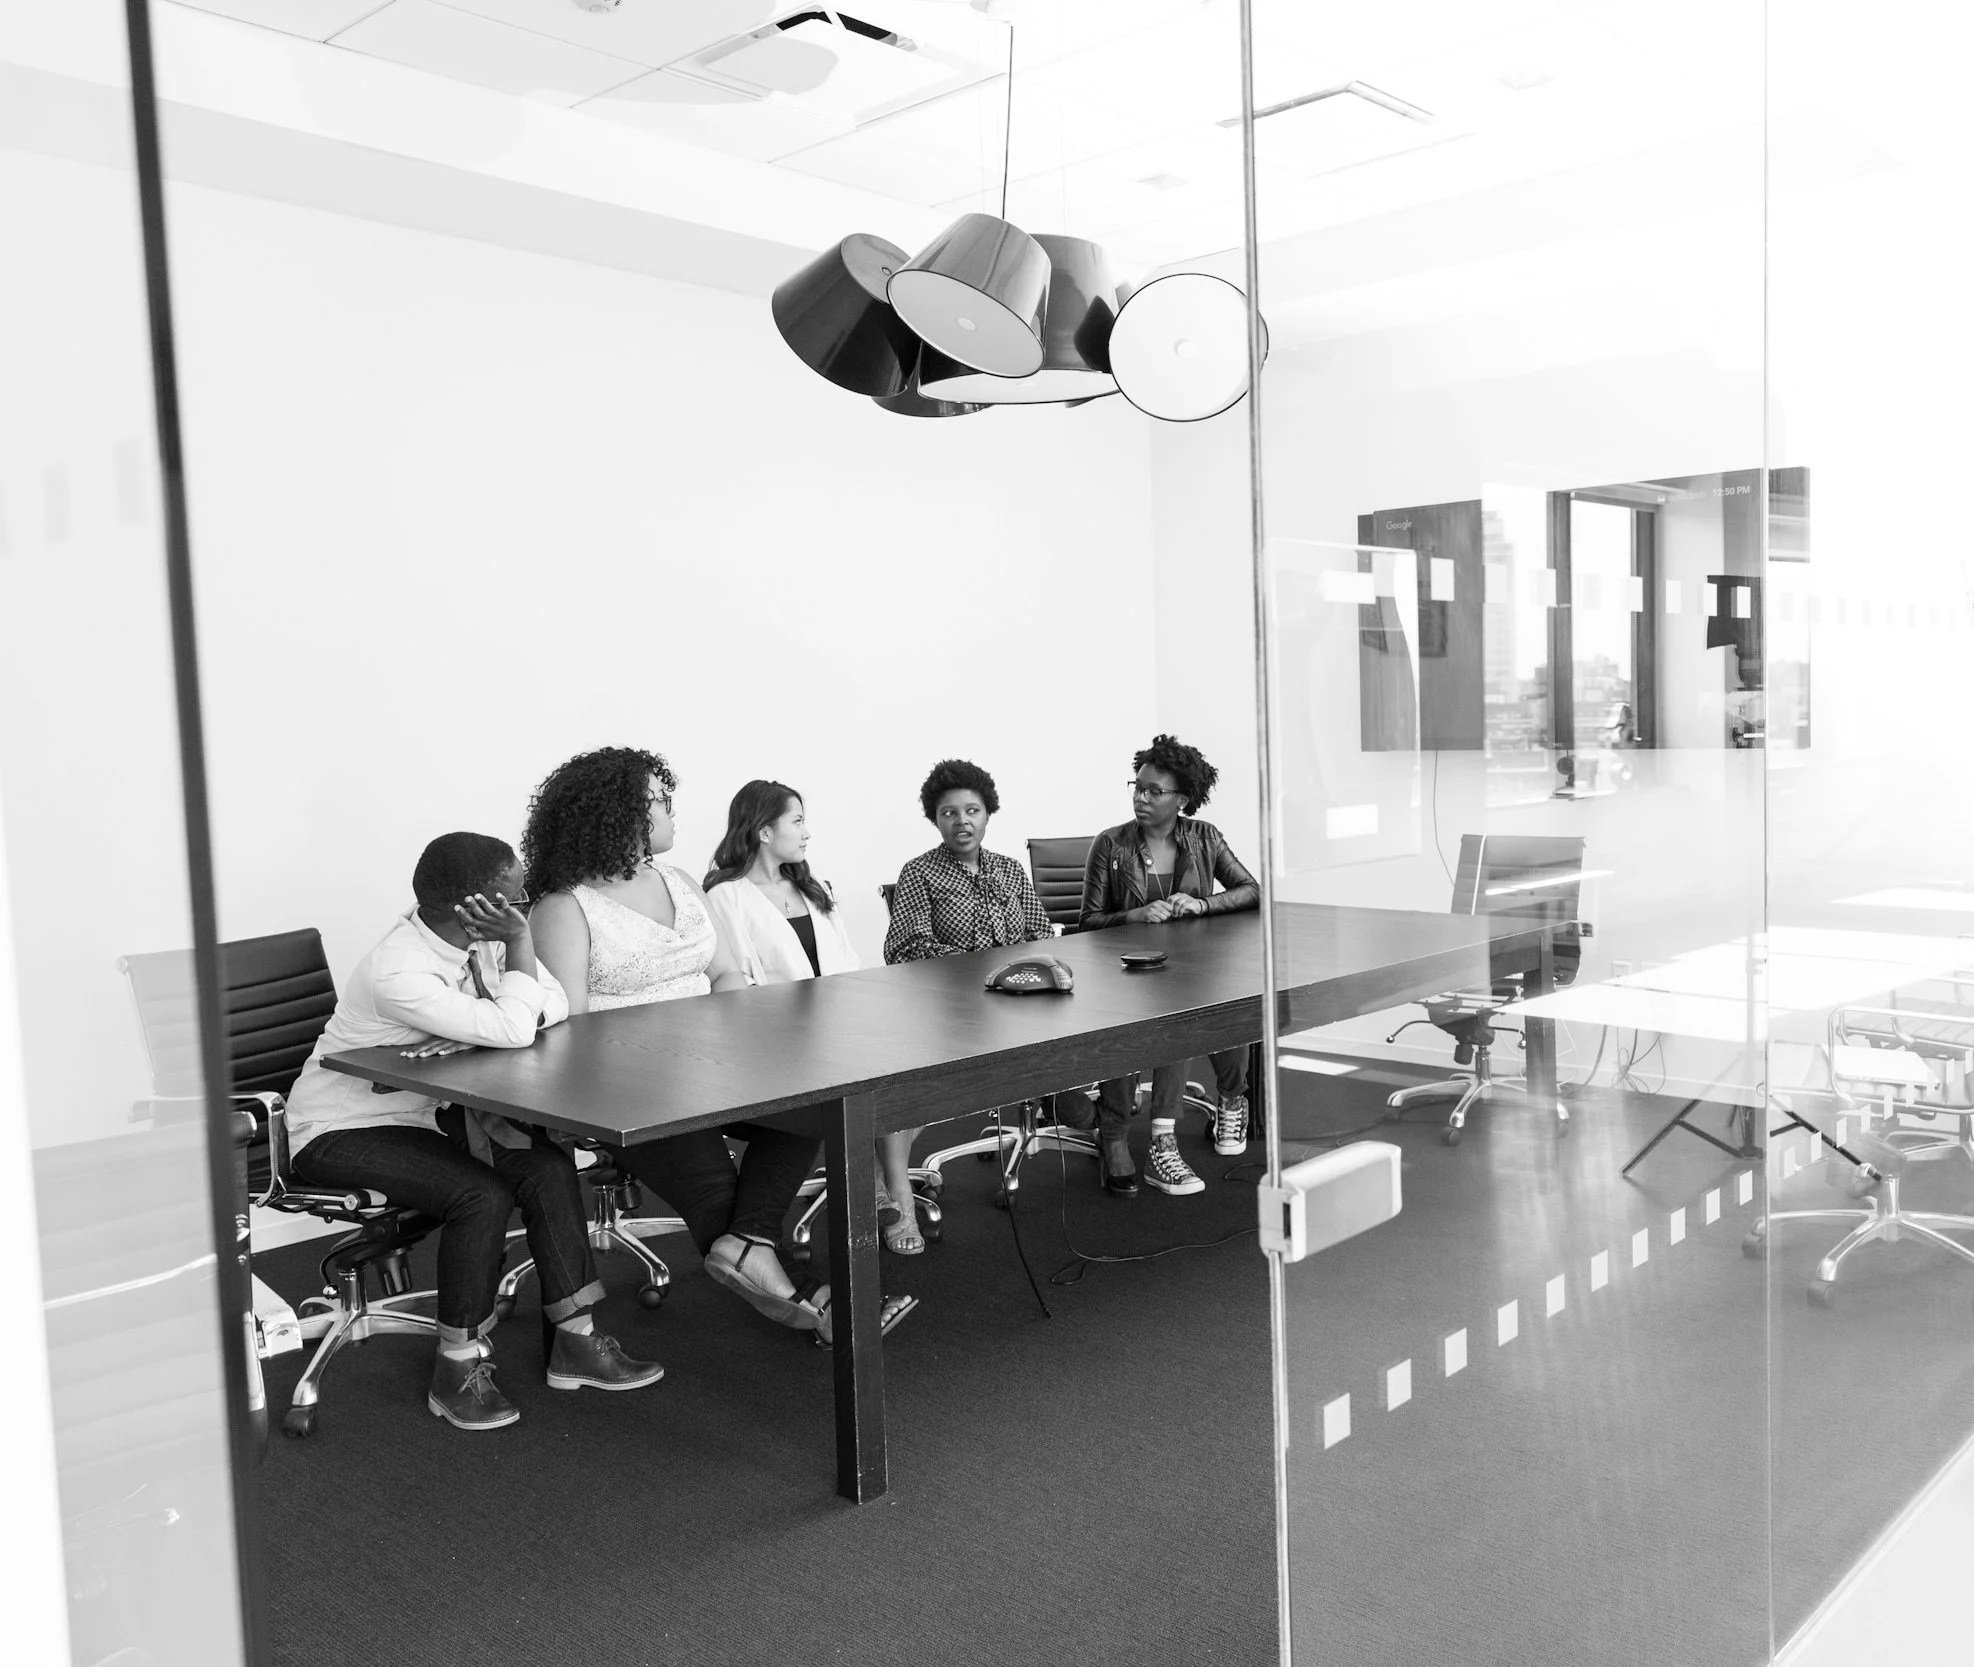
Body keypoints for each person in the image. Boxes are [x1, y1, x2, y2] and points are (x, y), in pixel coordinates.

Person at [285, 831, 664, 1433]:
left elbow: (556, 1002)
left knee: (544, 1167)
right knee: (479, 1195)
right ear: (476, 906)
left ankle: (577, 1341)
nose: (523, 907)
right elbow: (517, 1028)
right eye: (514, 897)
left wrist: (484, 1023)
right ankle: (456, 1367)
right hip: (342, 1126)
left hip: (430, 1113)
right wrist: (511, 972)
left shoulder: (481, 941)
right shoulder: (399, 970)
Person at [522, 747, 841, 1340]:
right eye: (660, 801)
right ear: (618, 815)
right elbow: (572, 1028)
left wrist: (718, 1040)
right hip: (627, 1086)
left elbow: (724, 974)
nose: (673, 811)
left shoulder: (681, 881)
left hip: (713, 1062)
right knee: (715, 1186)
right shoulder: (564, 908)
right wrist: (673, 1056)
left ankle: (750, 1248)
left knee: (815, 1106)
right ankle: (814, 1304)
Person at [702, 780, 931, 1270]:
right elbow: (738, 983)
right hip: (775, 1044)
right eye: (797, 821)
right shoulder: (726, 897)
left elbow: (847, 963)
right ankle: (895, 1197)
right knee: (877, 1076)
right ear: (764, 830)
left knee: (913, 1061)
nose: (807, 833)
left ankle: (885, 1186)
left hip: (839, 1026)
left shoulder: (812, 887)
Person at [1078, 734, 1260, 1199]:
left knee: (1231, 1007)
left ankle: (1232, 1097)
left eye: (1154, 791)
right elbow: (1087, 921)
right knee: (1170, 1019)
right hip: (1130, 976)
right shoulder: (1112, 844)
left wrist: (1201, 904)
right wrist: (1135, 915)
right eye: (1137, 787)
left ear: (1182, 799)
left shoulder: (1204, 837)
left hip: (1194, 967)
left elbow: (1251, 890)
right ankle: (1153, 1139)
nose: (1141, 797)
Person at [883, 758, 1053, 1246]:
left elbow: (1042, 934)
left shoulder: (1009, 870)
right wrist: (981, 965)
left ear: (988, 813)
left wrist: (1023, 969)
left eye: (972, 810)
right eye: (949, 813)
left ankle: (872, 1176)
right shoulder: (919, 873)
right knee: (909, 1097)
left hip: (1020, 1009)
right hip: (949, 1014)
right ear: (935, 820)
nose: (962, 822)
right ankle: (897, 1197)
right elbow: (904, 947)